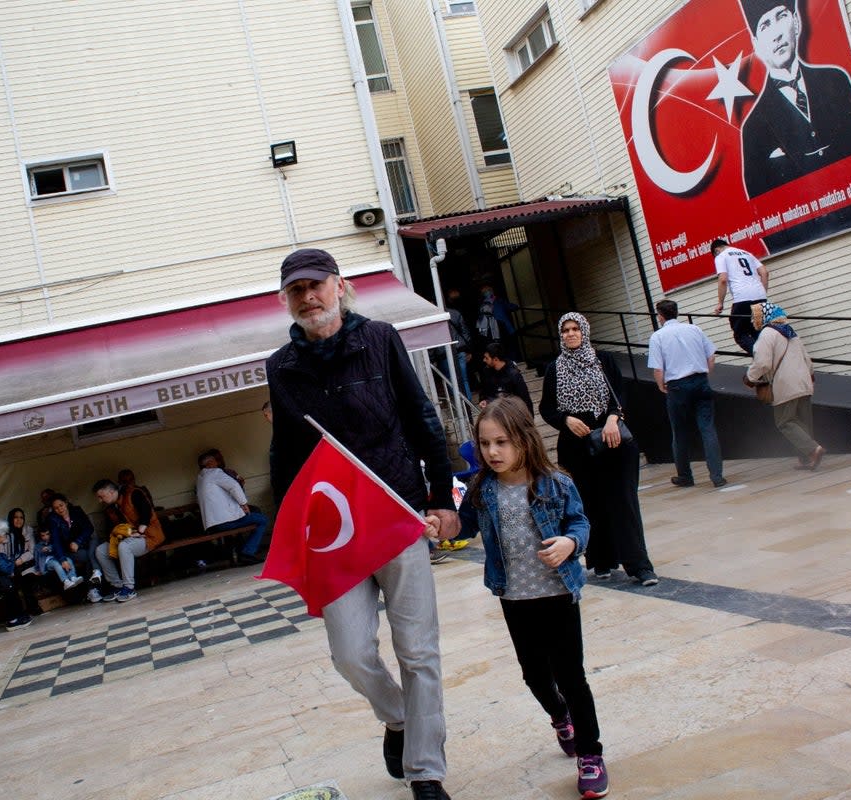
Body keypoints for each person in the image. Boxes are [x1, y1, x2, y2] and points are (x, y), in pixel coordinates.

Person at [266, 247, 458, 800]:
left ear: (339, 286)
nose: (309, 296)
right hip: (336, 532)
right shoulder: (280, 367)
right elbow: (285, 452)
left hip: (398, 514)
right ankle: (398, 718)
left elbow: (422, 415)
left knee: (418, 650)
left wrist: (442, 497)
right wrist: (289, 529)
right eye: (297, 290)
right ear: (287, 300)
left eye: (316, 285)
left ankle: (426, 771)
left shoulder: (379, 337)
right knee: (349, 652)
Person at [452, 398, 610, 798]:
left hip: (557, 593)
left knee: (572, 676)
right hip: (515, 597)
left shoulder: (556, 483)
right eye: (485, 444)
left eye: (501, 442)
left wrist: (571, 543)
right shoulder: (483, 490)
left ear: (524, 439)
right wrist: (439, 524)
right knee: (534, 674)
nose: (492, 452)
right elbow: (462, 527)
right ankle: (560, 718)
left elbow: (580, 521)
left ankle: (590, 755)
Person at [739, 0, 851, 251]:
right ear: (756, 44)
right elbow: (764, 211)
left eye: (781, 16)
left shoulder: (836, 82)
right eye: (765, 25)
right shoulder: (753, 127)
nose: (777, 34)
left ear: (796, 21)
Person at [539, 312, 658, 586]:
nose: (570, 334)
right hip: (576, 445)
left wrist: (613, 419)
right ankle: (601, 559)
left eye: (575, 329)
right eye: (565, 330)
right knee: (589, 503)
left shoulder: (602, 360)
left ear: (584, 331)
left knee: (623, 501)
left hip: (612, 439)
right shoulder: (554, 369)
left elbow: (621, 393)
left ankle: (639, 565)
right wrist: (565, 420)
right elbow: (546, 409)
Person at [647, 299, 726, 488]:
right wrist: (705, 373)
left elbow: (658, 368)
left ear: (660, 315)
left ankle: (685, 476)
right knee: (707, 428)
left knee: (679, 432)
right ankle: (717, 476)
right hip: (700, 380)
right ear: (677, 313)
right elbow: (711, 355)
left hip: (677, 386)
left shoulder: (657, 337)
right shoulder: (694, 329)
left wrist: (661, 385)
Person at [745, 302, 825, 470]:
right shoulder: (790, 331)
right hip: (803, 381)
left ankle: (813, 449)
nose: (753, 320)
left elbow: (762, 362)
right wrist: (810, 375)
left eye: (755, 316)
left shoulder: (767, 334)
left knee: (785, 422)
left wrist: (750, 377)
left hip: (785, 384)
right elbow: (806, 357)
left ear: (764, 317)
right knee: (803, 422)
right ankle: (806, 460)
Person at [92, 477, 165, 603]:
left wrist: (140, 531)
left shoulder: (133, 493)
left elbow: (146, 512)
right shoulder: (110, 508)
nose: (100, 500)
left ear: (110, 492)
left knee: (124, 547)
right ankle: (117, 586)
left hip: (149, 536)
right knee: (100, 550)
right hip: (129, 538)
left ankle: (129, 587)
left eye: (101, 496)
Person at [195, 450, 267, 565]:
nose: (217, 463)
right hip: (225, 522)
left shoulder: (200, 478)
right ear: (209, 464)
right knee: (262, 519)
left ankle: (244, 550)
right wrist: (244, 504)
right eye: (215, 461)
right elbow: (233, 486)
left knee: (253, 516)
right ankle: (247, 553)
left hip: (212, 524)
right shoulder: (214, 473)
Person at [712, 238, 768, 355]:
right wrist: (762, 292)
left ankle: (763, 357)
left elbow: (722, 279)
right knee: (756, 330)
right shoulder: (747, 253)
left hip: (742, 299)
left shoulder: (721, 256)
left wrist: (720, 303)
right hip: (760, 298)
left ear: (716, 250)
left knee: (740, 334)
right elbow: (764, 272)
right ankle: (764, 365)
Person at [46, 493, 99, 588]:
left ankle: (94, 584)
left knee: (95, 544)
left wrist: (78, 542)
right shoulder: (53, 519)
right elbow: (56, 541)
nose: (60, 509)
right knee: (89, 556)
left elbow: (89, 528)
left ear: (66, 503)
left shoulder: (76, 511)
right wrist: (62, 559)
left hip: (84, 542)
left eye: (61, 505)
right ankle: (92, 587)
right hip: (70, 550)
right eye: (56, 508)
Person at [3, 507, 42, 617]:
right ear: (11, 519)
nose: (19, 520)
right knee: (15, 579)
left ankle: (32, 608)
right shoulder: (6, 533)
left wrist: (20, 560)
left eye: (21, 517)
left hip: (27, 563)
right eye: (15, 517)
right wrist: (13, 562)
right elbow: (4, 554)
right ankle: (22, 611)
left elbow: (32, 551)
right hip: (11, 565)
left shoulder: (27, 530)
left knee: (26, 578)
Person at [478, 342, 533, 415]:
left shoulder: (513, 375)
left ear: (496, 359)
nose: (484, 360)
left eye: (486, 358)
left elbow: (525, 399)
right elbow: (484, 391)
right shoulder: (486, 372)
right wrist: (483, 400)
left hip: (512, 416)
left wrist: (528, 420)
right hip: (495, 415)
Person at [475, 282, 520, 362]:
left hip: (493, 333)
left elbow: (481, 324)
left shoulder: (482, 306)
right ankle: (513, 363)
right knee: (510, 348)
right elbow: (514, 307)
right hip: (505, 329)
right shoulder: (499, 301)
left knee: (500, 350)